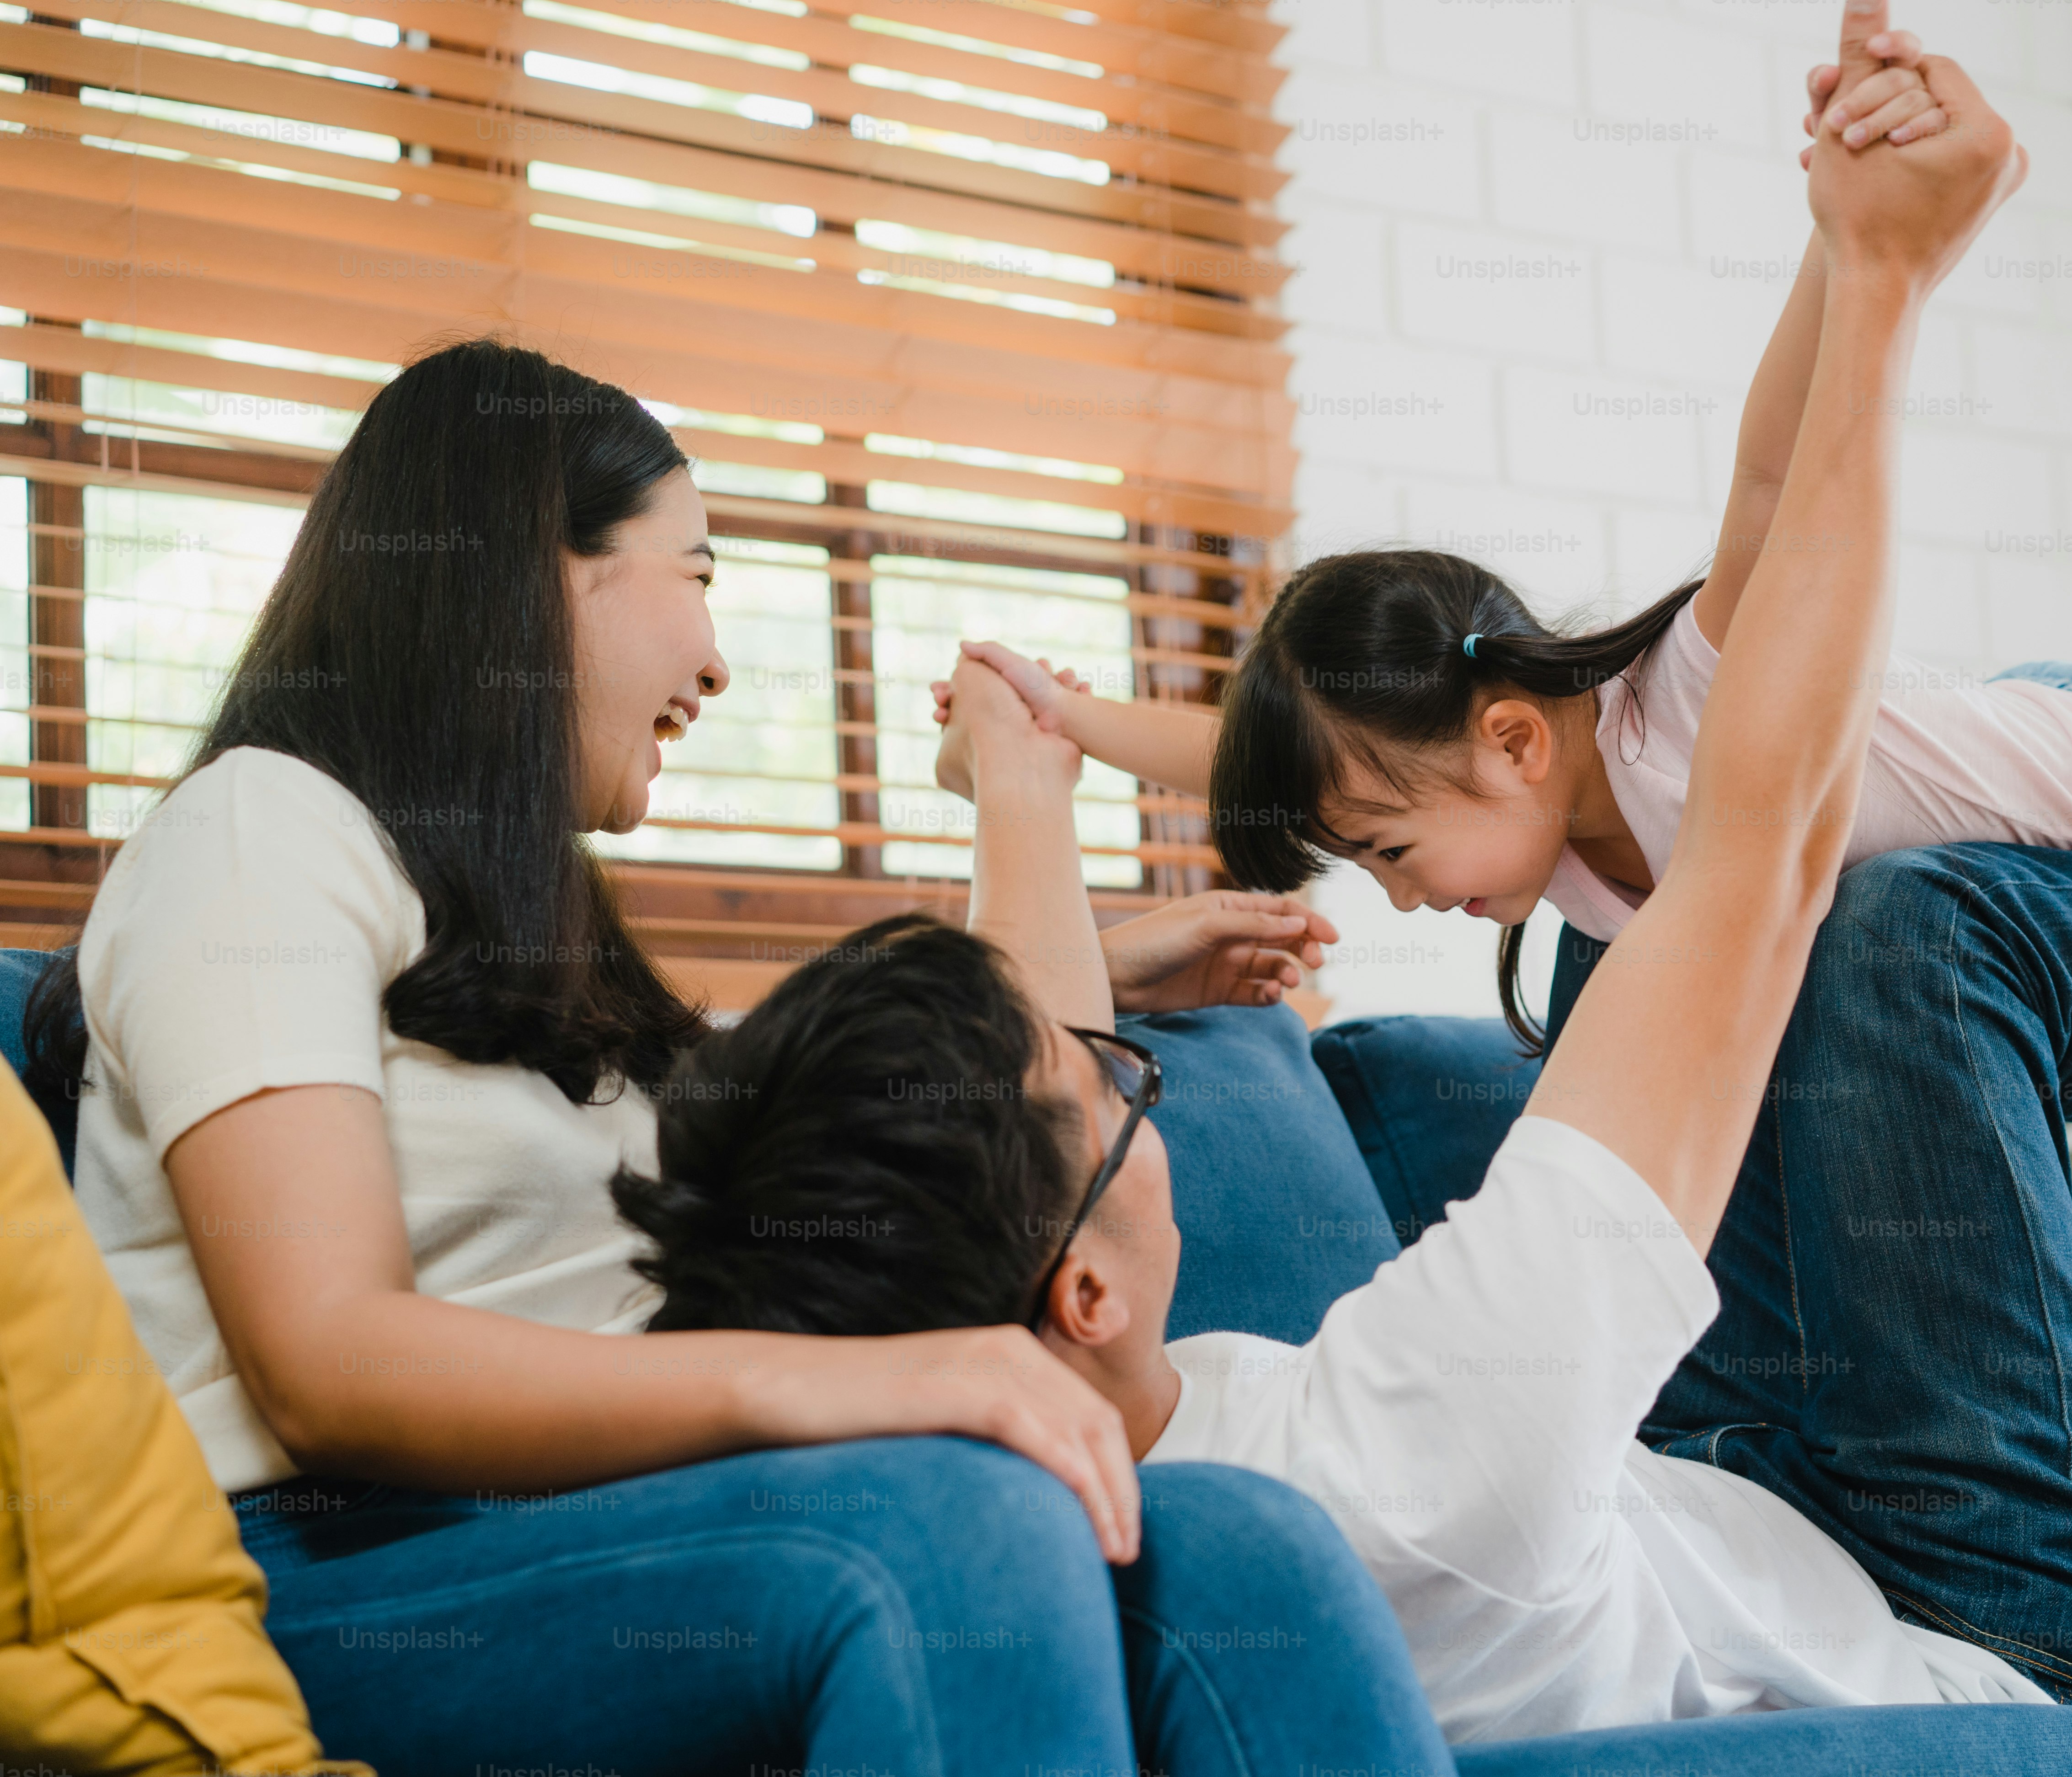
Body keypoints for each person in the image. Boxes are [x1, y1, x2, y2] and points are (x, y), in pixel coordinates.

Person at [630, 0, 2072, 1729]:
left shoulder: (1047, 1420)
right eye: (1119, 1081)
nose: (1125, 1051)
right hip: (1984, 1622)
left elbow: (1045, 1066)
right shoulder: (1425, 1442)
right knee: (1889, 930)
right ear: (1076, 1279)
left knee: (1922, 922)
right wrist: (1889, 280)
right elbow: (1770, 835)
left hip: (1811, 1348)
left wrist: (1031, 766)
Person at [34, 337, 1448, 1775]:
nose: (716, 659)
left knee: (1244, 1548)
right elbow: (322, 1363)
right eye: (697, 575)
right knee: (959, 1530)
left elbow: (899, 1118)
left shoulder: (530, 941)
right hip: (337, 1562)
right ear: (535, 568)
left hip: (628, 1521)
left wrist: (1111, 954)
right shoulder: (260, 831)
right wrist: (847, 1389)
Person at [938, 27, 2072, 1067]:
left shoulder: (1692, 707)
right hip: (2045, 753)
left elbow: (1768, 477)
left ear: (1513, 738)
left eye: (1390, 853)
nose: (1401, 894)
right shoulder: (1545, 834)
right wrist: (1067, 729)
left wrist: (1848, 232)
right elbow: (1290, 756)